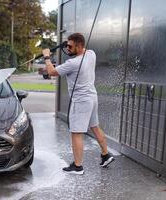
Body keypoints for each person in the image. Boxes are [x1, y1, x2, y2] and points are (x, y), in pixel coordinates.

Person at [42, 33, 114, 175]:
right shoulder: (91, 54)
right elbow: (83, 48)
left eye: (70, 46)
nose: (68, 49)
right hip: (92, 98)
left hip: (81, 101)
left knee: (76, 133)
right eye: (66, 46)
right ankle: (106, 155)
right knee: (95, 127)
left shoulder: (72, 63)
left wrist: (46, 57)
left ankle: (77, 166)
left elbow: (51, 72)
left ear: (79, 46)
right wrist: (67, 44)